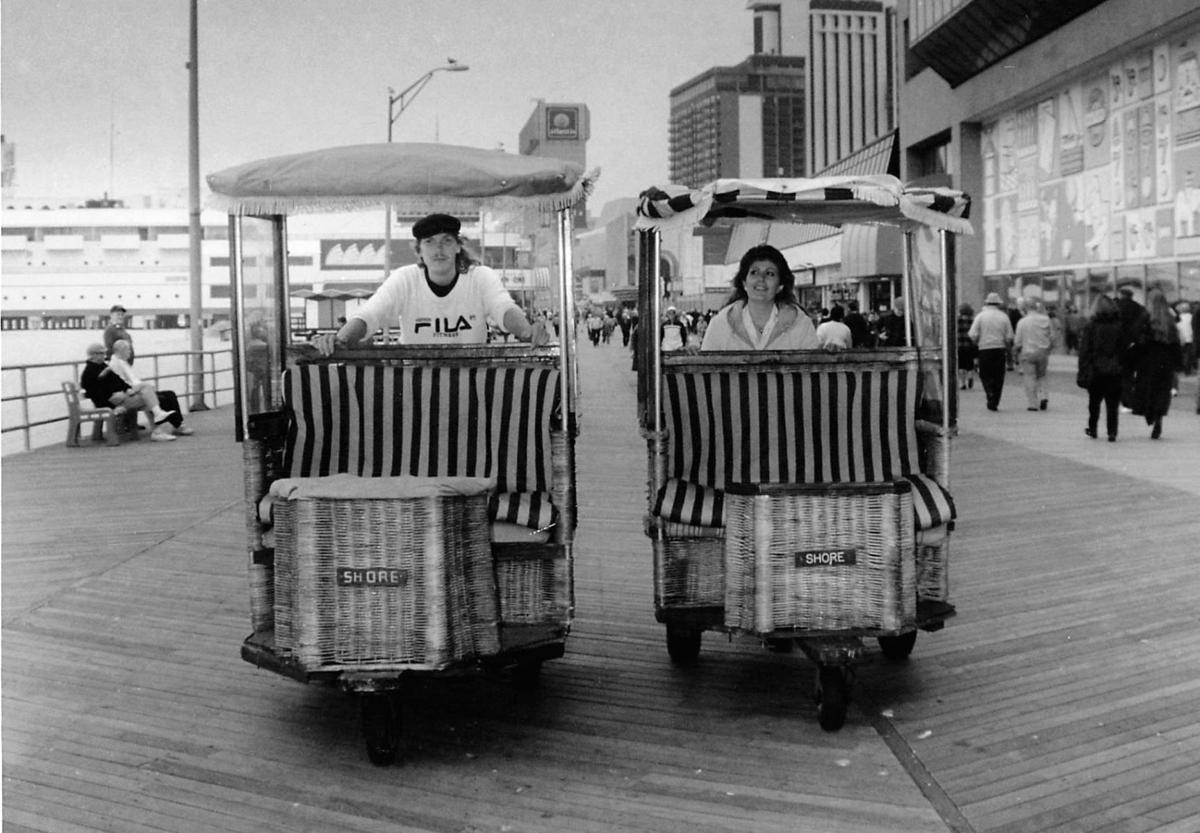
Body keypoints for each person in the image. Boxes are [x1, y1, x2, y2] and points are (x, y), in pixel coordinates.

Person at [313, 213, 544, 354]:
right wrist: (340, 339)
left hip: (470, 381)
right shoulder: (405, 278)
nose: (439, 249)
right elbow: (370, 314)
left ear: (457, 247)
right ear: (420, 251)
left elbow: (503, 308)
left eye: (446, 241)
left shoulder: (480, 276)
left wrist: (526, 331)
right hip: (416, 382)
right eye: (430, 242)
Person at [700, 244, 818, 351]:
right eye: (754, 272)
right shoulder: (721, 324)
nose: (761, 279)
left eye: (770, 273)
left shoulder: (801, 324)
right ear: (744, 283)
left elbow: (814, 369)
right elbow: (705, 368)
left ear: (780, 286)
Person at [79, 342, 189, 442]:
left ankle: (161, 423)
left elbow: (118, 381)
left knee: (149, 393)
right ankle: (159, 429)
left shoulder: (102, 367)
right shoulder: (90, 372)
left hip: (121, 398)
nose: (104, 355)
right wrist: (111, 407)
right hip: (113, 403)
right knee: (151, 398)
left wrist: (127, 389)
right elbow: (96, 394)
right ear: (93, 355)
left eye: (104, 353)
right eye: (100, 353)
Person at [1128, 289, 1183, 439]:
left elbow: (1137, 339)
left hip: (1148, 361)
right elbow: (1176, 344)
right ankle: (1158, 417)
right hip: (1165, 362)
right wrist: (1178, 363)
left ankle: (1149, 413)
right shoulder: (1170, 321)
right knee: (1162, 391)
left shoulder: (1145, 318)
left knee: (1147, 389)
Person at [1077, 294, 1124, 442]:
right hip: (1115, 369)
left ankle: (1093, 428)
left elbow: (1085, 350)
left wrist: (1083, 368)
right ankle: (1112, 431)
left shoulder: (1091, 326)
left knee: (1094, 402)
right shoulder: (1119, 326)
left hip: (1095, 369)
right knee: (1112, 404)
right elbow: (1123, 349)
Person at [969, 293, 1015, 411]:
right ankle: (995, 400)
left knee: (985, 374)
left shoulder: (980, 316)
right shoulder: (1004, 317)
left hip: (984, 349)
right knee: (998, 376)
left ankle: (989, 391)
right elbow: (1009, 336)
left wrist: (978, 340)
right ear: (998, 304)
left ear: (986, 303)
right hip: (999, 349)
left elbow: (972, 334)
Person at [1013, 298, 1053, 410]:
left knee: (1030, 377)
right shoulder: (1046, 319)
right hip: (1043, 352)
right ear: (1036, 307)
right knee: (1042, 375)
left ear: (1025, 308)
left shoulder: (1022, 322)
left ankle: (1033, 403)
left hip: (1028, 353)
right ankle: (1043, 396)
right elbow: (1052, 336)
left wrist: (1015, 350)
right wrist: (1048, 348)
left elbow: (1017, 341)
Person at [1115, 286, 1149, 409]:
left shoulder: (1116, 307)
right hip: (1137, 344)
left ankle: (1126, 400)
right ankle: (1137, 399)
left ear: (1120, 294)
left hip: (1121, 345)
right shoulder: (1140, 308)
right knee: (1135, 373)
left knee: (1124, 374)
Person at [956, 303, 978, 390]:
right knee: (970, 363)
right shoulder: (973, 320)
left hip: (960, 345)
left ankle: (962, 383)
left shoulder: (957, 320)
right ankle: (970, 376)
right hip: (971, 345)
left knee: (961, 365)